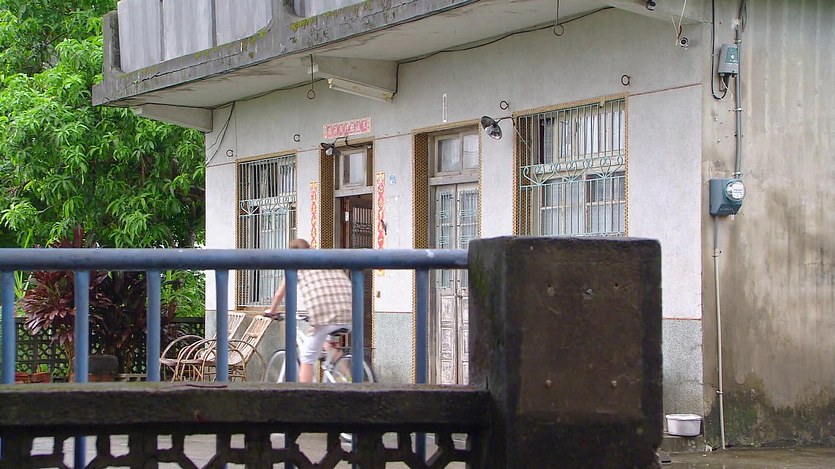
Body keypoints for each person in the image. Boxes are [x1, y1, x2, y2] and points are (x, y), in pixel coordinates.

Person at [263, 238, 352, 383]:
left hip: (327, 315)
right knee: (327, 344)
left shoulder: (296, 265)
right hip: (351, 313)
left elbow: (280, 294)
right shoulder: (325, 260)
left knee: (307, 357)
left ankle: (307, 393)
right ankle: (349, 379)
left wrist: (271, 311)